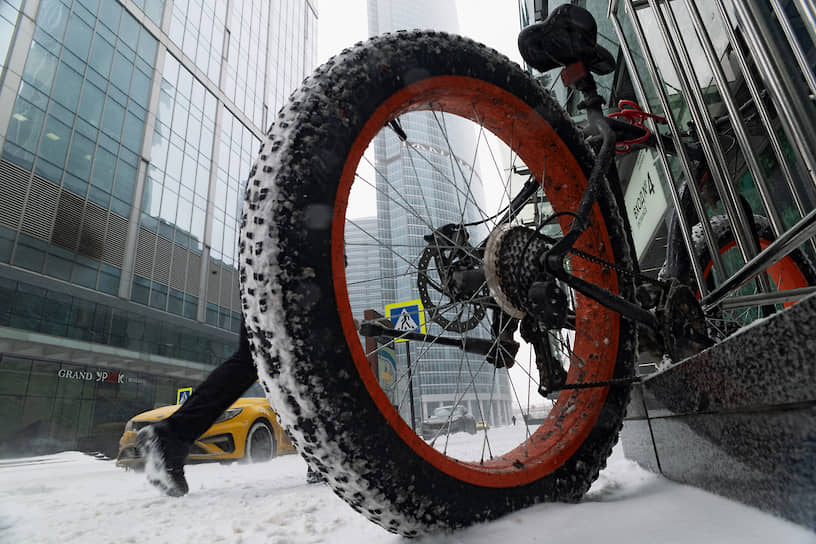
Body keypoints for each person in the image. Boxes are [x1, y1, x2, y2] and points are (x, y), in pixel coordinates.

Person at [137, 319, 323, 497]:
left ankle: (173, 435)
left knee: (255, 356)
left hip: (259, 288)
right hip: (287, 288)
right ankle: (321, 458)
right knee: (301, 357)